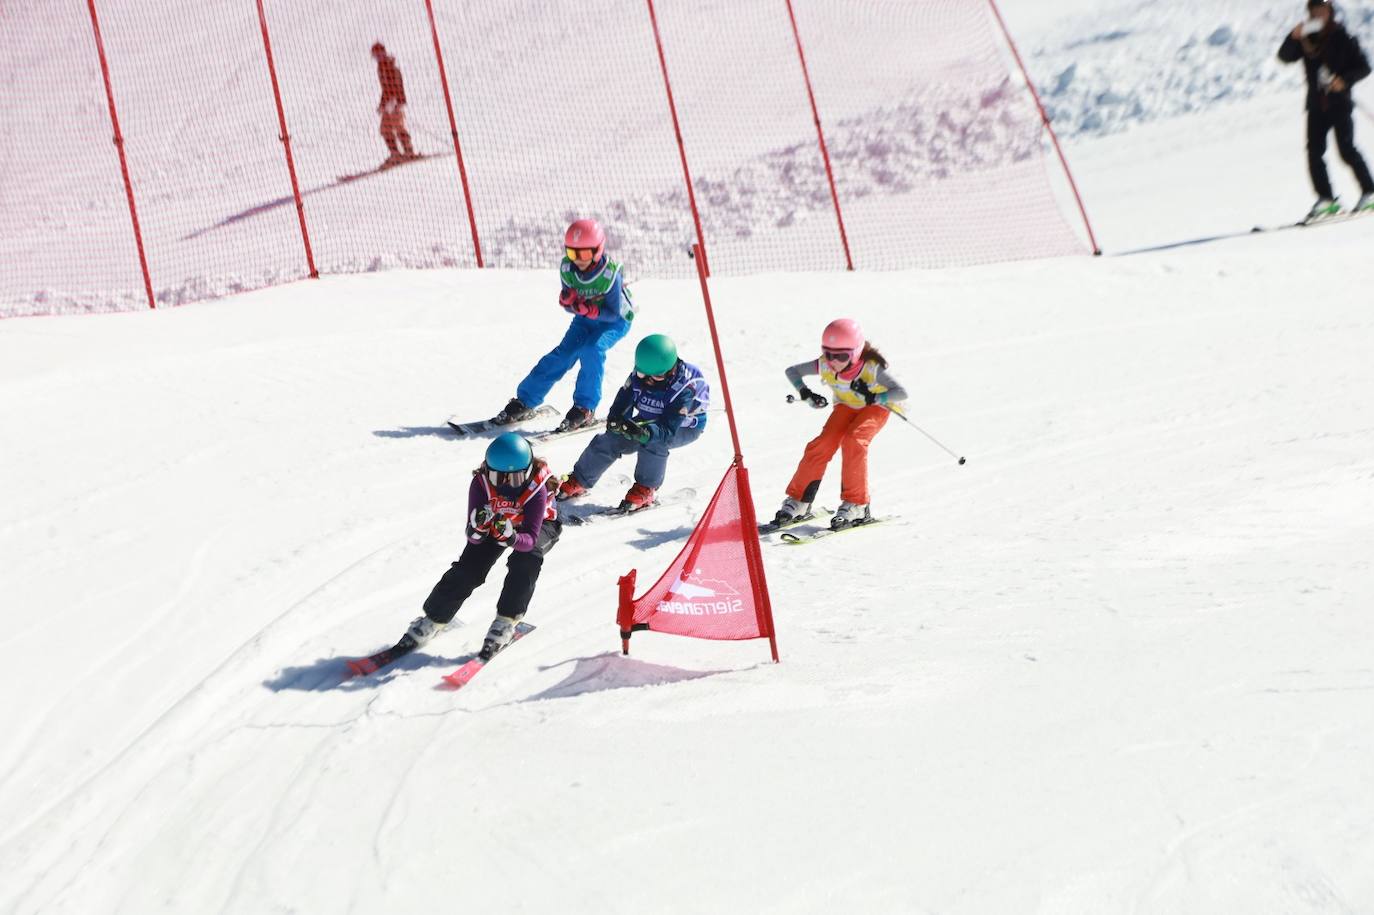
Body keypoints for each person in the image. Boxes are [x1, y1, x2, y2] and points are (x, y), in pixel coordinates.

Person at [403, 433, 561, 660]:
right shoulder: (482, 483)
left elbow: (528, 540)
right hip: (500, 522)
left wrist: (511, 538)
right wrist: (477, 529)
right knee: (469, 566)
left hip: (538, 526)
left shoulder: (537, 488)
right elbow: (474, 539)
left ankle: (506, 620)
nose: (505, 484)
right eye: (498, 477)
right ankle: (434, 618)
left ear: (527, 472)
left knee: (525, 560)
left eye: (515, 478)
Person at [495, 219, 637, 433]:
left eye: (584, 254)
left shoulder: (609, 275)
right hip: (585, 319)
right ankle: (525, 400)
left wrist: (590, 310)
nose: (578, 259)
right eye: (572, 253)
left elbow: (613, 313)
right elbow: (571, 306)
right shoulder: (568, 269)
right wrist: (569, 303)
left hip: (614, 321)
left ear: (598, 250)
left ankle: (585, 408)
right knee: (564, 354)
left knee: (591, 350)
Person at [774, 318, 908, 531]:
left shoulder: (871, 369)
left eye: (842, 356)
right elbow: (792, 371)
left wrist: (875, 397)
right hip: (846, 406)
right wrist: (805, 392)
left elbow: (901, 392)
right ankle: (800, 500)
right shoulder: (824, 365)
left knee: (854, 440)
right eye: (828, 354)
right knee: (823, 443)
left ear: (855, 352)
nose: (833, 361)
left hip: (875, 408)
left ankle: (857, 504)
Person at [556, 334, 709, 512]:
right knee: (610, 439)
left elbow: (668, 429)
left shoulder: (684, 388)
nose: (648, 380)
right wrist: (617, 420)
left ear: (670, 370)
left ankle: (646, 488)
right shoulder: (640, 375)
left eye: (656, 376)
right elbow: (624, 399)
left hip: (683, 427)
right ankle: (580, 479)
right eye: (644, 373)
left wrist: (645, 434)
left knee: (654, 443)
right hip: (650, 419)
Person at [1278, 0, 1374, 220]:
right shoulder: (1306, 36)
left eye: (1322, 10)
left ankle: (1370, 192)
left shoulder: (1342, 36)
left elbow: (1364, 67)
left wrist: (1344, 80)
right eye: (1314, 11)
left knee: (1346, 149)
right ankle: (1327, 200)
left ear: (1330, 12)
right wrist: (1293, 37)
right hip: (1316, 105)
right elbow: (1284, 57)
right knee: (1314, 152)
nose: (1318, 14)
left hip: (1340, 103)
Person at [372, 42, 416, 165]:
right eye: (375, 56)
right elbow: (385, 89)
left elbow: (397, 84)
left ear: (383, 52)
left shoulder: (391, 66)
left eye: (379, 55)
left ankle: (409, 151)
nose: (377, 58)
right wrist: (382, 104)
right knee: (385, 128)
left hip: (396, 102)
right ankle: (395, 154)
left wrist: (396, 100)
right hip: (388, 103)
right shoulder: (380, 68)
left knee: (398, 126)